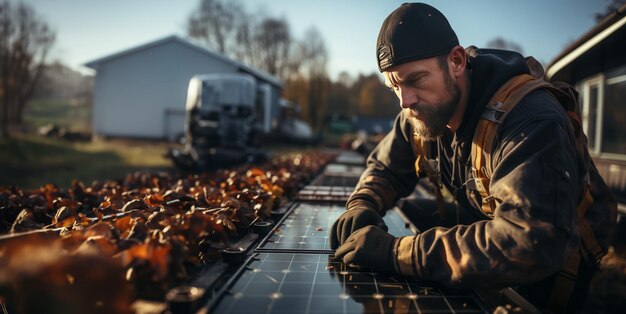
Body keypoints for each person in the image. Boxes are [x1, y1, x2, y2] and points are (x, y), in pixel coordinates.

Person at [330, 3, 617, 312]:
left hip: (556, 272)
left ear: (456, 62)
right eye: (394, 85)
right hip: (493, 228)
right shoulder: (422, 111)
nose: (405, 100)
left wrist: (398, 253)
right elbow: (385, 167)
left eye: (415, 80)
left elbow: (529, 241)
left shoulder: (530, 121)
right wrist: (362, 203)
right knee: (412, 211)